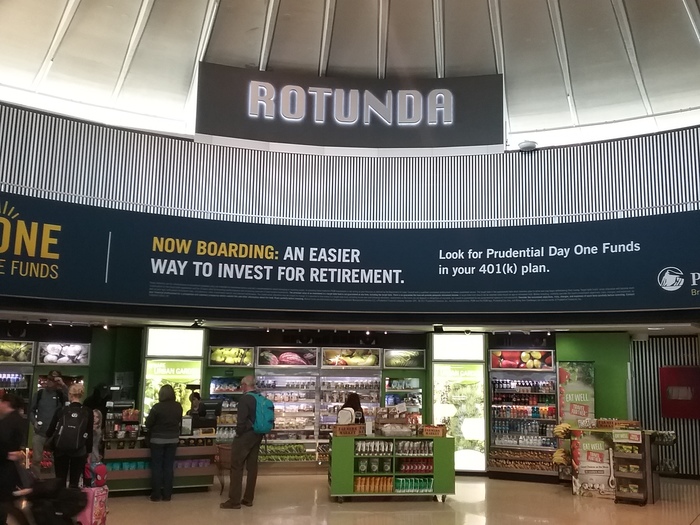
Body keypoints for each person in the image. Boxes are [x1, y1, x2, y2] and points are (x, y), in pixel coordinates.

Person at [220, 375, 262, 510]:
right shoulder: (260, 398)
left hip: (245, 436)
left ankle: (234, 501)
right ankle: (248, 499)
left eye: (241, 385)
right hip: (258, 435)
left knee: (236, 466)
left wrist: (238, 433)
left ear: (244, 385)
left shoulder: (245, 399)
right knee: (252, 467)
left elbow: (241, 421)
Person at [46, 383, 93, 488]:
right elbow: (89, 434)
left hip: (60, 451)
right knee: (74, 482)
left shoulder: (61, 410)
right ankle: (72, 501)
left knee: (60, 480)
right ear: (81, 394)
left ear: (70, 394)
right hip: (79, 451)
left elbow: (49, 431)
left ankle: (60, 501)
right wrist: (88, 452)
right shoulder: (88, 412)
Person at [144, 384, 182, 502]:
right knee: (168, 467)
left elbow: (148, 424)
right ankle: (167, 495)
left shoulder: (157, 407)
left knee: (157, 467)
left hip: (157, 440)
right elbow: (179, 421)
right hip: (173, 439)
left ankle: (156, 495)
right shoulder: (178, 407)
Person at [29, 370, 68, 475]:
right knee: (36, 459)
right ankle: (35, 482)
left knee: (55, 460)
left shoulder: (61, 395)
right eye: (49, 379)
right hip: (40, 432)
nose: (50, 382)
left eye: (54, 380)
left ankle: (54, 483)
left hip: (55, 434)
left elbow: (73, 400)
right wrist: (34, 422)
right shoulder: (39, 394)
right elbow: (31, 411)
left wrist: (63, 385)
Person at [0, 393, 28, 525]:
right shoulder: (19, 419)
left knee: (4, 502)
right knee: (7, 502)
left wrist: (6, 454)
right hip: (11, 468)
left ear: (6, 403)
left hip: (4, 467)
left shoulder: (6, 423)